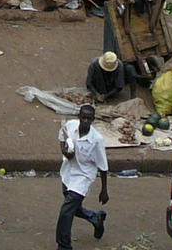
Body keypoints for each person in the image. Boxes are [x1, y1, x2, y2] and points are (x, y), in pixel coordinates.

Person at [56, 104, 109, 250]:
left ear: (93, 120)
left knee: (66, 212)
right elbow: (62, 136)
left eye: (89, 119)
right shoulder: (70, 126)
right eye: (83, 117)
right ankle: (95, 218)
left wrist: (104, 190)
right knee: (74, 209)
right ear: (79, 117)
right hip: (67, 173)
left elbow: (103, 167)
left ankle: (64, 245)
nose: (85, 121)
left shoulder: (96, 140)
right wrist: (65, 152)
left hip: (83, 177)